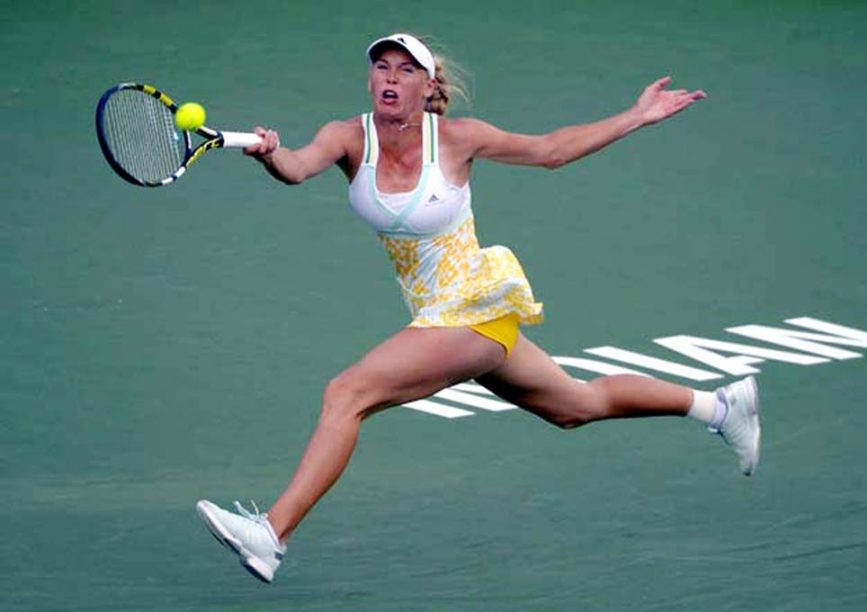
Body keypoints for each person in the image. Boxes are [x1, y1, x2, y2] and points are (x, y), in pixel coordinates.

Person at [196, 33, 760, 583]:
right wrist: (267, 153)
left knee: (347, 394)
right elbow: (296, 167)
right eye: (382, 68)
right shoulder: (347, 137)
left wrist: (637, 116)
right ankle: (719, 407)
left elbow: (552, 151)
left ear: (427, 85)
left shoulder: (460, 138)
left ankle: (272, 534)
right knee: (576, 406)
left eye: (405, 70)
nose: (390, 78)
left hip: (472, 311)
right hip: (442, 318)